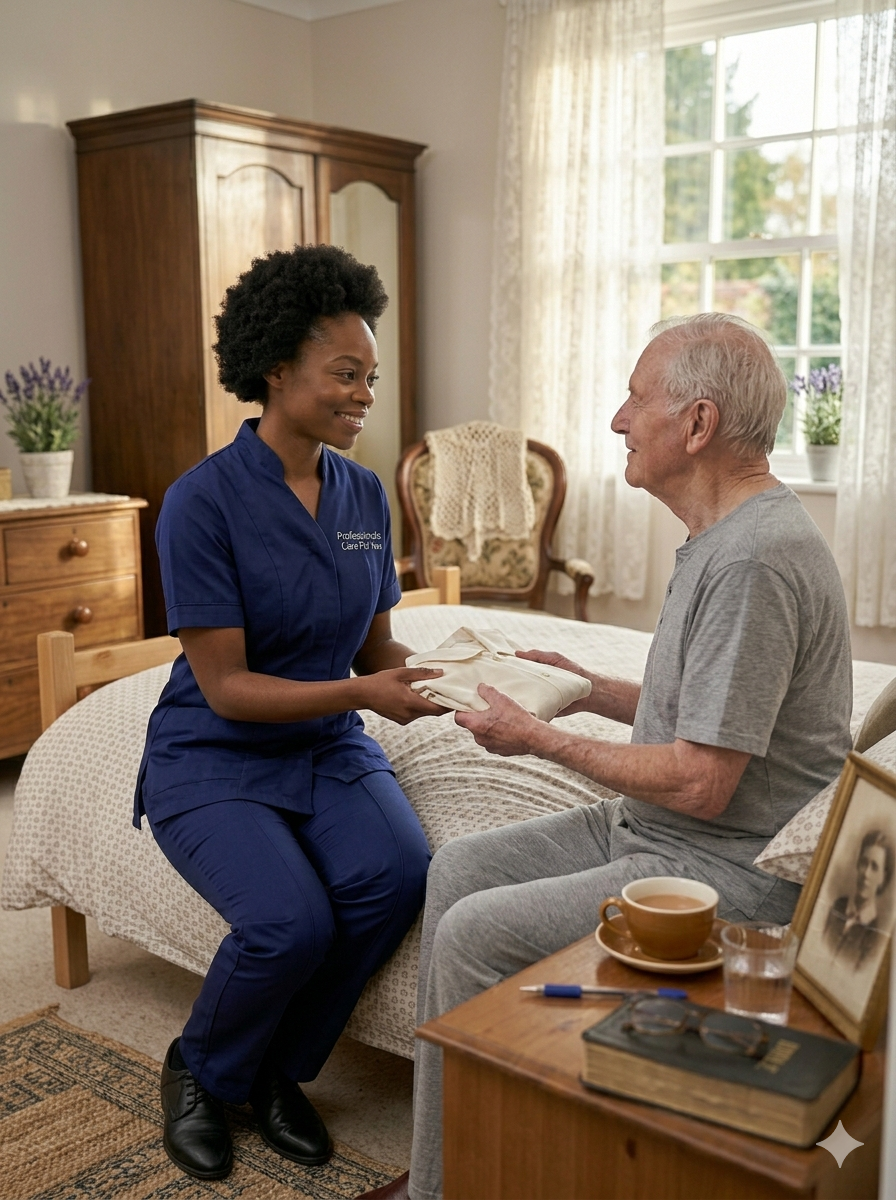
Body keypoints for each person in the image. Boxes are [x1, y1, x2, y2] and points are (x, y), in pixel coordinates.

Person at [361, 312, 853, 1200]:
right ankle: (450, 1161)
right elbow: (705, 714)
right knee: (459, 869)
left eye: (635, 397)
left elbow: (704, 780)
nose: (619, 420)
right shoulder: (724, 537)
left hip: (731, 867)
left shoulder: (754, 561)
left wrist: (538, 736)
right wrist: (584, 686)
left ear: (697, 425)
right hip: (659, 829)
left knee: (477, 930)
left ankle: (453, 1187)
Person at [134, 244, 446, 1182]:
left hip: (324, 743)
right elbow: (227, 686)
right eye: (344, 375)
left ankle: (274, 1074)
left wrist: (452, 678)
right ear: (277, 369)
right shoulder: (201, 504)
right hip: (215, 750)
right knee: (290, 922)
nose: (364, 396)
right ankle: (199, 1070)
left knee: (396, 875)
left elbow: (374, 648)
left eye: (371, 378)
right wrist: (365, 693)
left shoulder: (361, 493)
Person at [824, 830, 894, 969]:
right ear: (857, 865)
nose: (866, 874)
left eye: (874, 867)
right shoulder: (837, 906)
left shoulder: (875, 936)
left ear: (883, 877)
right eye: (864, 863)